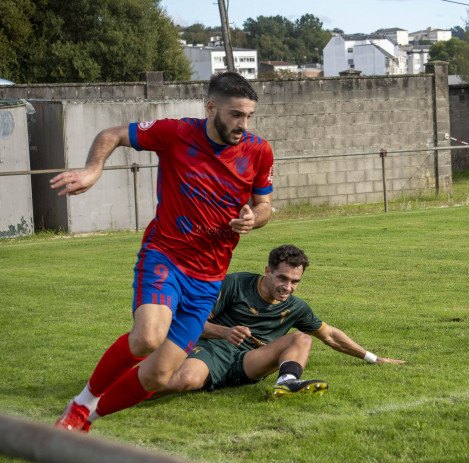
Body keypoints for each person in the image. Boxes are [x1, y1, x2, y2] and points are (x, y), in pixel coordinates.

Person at [51, 71, 274, 433]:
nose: (242, 124)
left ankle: (85, 419)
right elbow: (112, 134)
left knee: (158, 374)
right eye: (235, 114)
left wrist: (254, 217)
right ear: (211, 107)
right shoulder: (176, 132)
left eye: (248, 116)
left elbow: (264, 206)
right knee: (148, 337)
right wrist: (93, 171)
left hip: (209, 277)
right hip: (166, 255)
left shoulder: (259, 151)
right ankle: (82, 401)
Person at [156, 245, 405, 401]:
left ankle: (286, 382)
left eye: (295, 281)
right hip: (214, 350)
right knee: (186, 380)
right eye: (282, 278)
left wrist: (373, 358)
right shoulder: (235, 284)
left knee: (302, 337)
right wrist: (225, 332)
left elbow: (330, 335)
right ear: (267, 271)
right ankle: (126, 392)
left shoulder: (296, 307)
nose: (288, 287)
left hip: (251, 363)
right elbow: (187, 322)